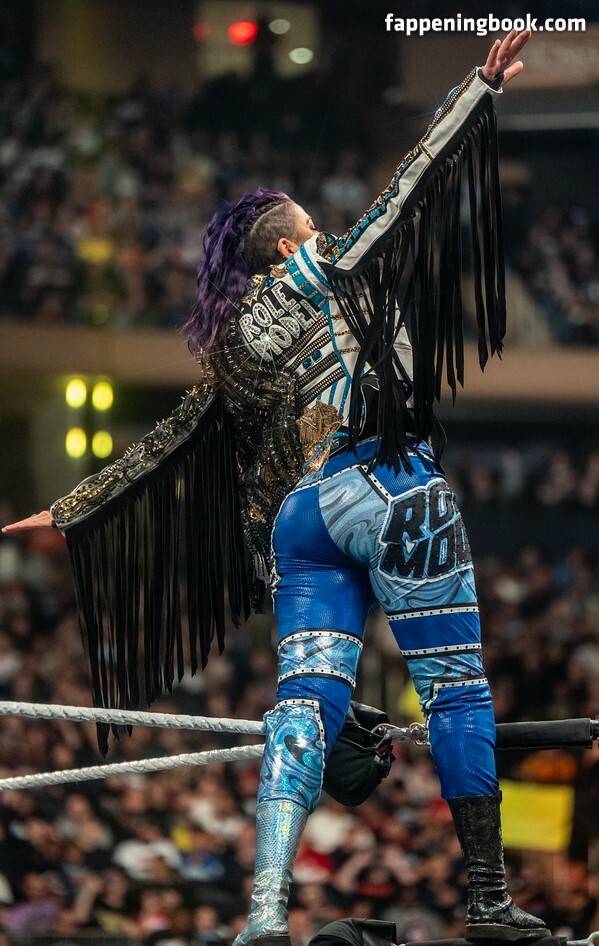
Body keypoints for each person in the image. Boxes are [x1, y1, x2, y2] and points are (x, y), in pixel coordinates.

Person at [3, 29, 549, 946]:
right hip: (388, 484)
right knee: (454, 692)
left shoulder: (232, 343)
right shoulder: (320, 265)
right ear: (290, 241)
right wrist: (477, 91)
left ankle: (262, 916)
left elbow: (169, 442)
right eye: (311, 222)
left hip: (302, 524)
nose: (324, 228)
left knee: (302, 708)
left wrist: (69, 508)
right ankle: (488, 902)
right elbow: (405, 193)